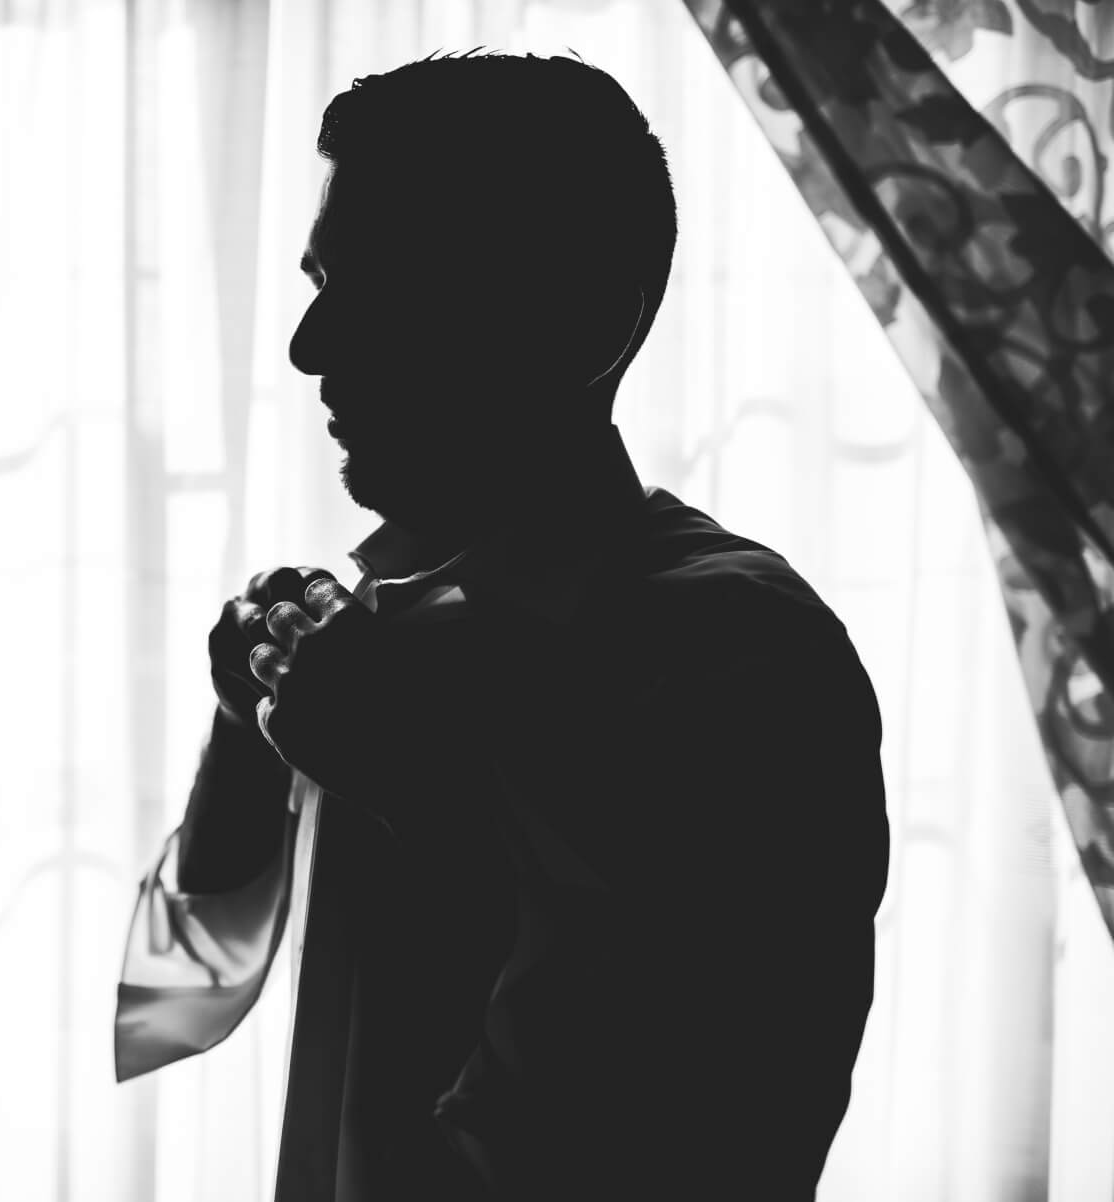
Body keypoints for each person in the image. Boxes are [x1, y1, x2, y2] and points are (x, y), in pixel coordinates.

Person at [113, 48, 889, 1201]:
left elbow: (649, 1145)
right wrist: (242, 727)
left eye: (378, 287)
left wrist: (427, 789)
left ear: (579, 323)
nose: (308, 347)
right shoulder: (376, 636)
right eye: (319, 281)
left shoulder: (738, 660)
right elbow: (179, 1004)